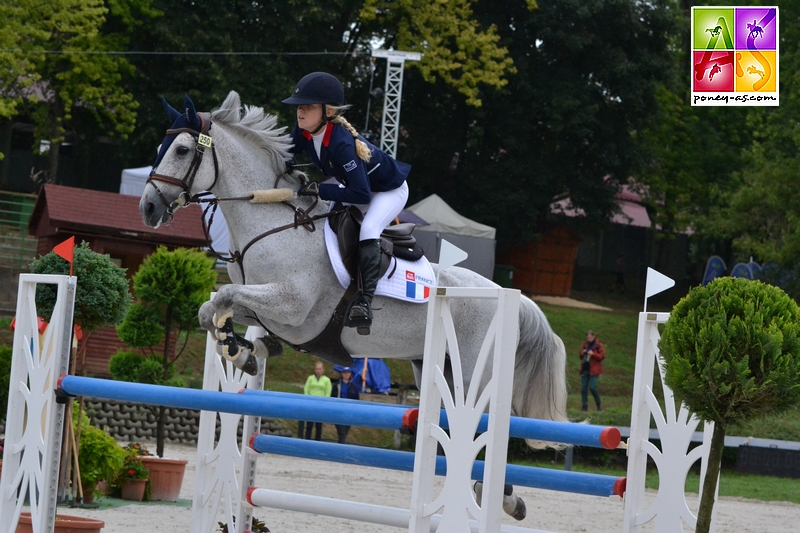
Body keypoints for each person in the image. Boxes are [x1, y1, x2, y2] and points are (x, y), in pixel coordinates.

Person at [282, 72, 411, 334]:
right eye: (299, 105)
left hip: (387, 191)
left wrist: (321, 190)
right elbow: (288, 152)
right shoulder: (305, 131)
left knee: (369, 229)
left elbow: (362, 195)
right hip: (357, 187)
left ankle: (364, 301)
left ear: (327, 112)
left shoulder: (342, 144)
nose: (300, 111)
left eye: (308, 106)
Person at [298, 361, 332, 440]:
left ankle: (317, 442)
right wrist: (307, 399)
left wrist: (324, 402)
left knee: (318, 425)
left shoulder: (327, 380)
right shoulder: (310, 378)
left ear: (323, 369)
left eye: (320, 369)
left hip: (320, 405)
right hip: (311, 404)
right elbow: (306, 389)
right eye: (317, 369)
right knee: (309, 425)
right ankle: (307, 441)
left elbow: (327, 393)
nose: (318, 371)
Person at [331, 367, 360, 444]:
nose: (346, 374)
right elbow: (332, 398)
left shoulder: (354, 387)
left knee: (344, 433)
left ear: (350, 374)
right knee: (341, 432)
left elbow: (357, 400)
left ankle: (340, 447)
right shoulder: (337, 385)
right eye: (345, 372)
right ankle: (342, 449)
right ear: (342, 374)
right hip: (338, 412)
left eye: (348, 373)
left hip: (349, 413)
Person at [579, 330, 605, 412]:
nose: (588, 339)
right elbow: (580, 355)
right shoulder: (585, 344)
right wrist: (583, 353)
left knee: (592, 387)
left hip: (594, 370)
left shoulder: (598, 345)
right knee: (583, 388)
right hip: (585, 369)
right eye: (587, 337)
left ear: (594, 336)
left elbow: (602, 356)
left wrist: (593, 354)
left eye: (590, 337)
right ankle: (584, 406)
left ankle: (598, 404)